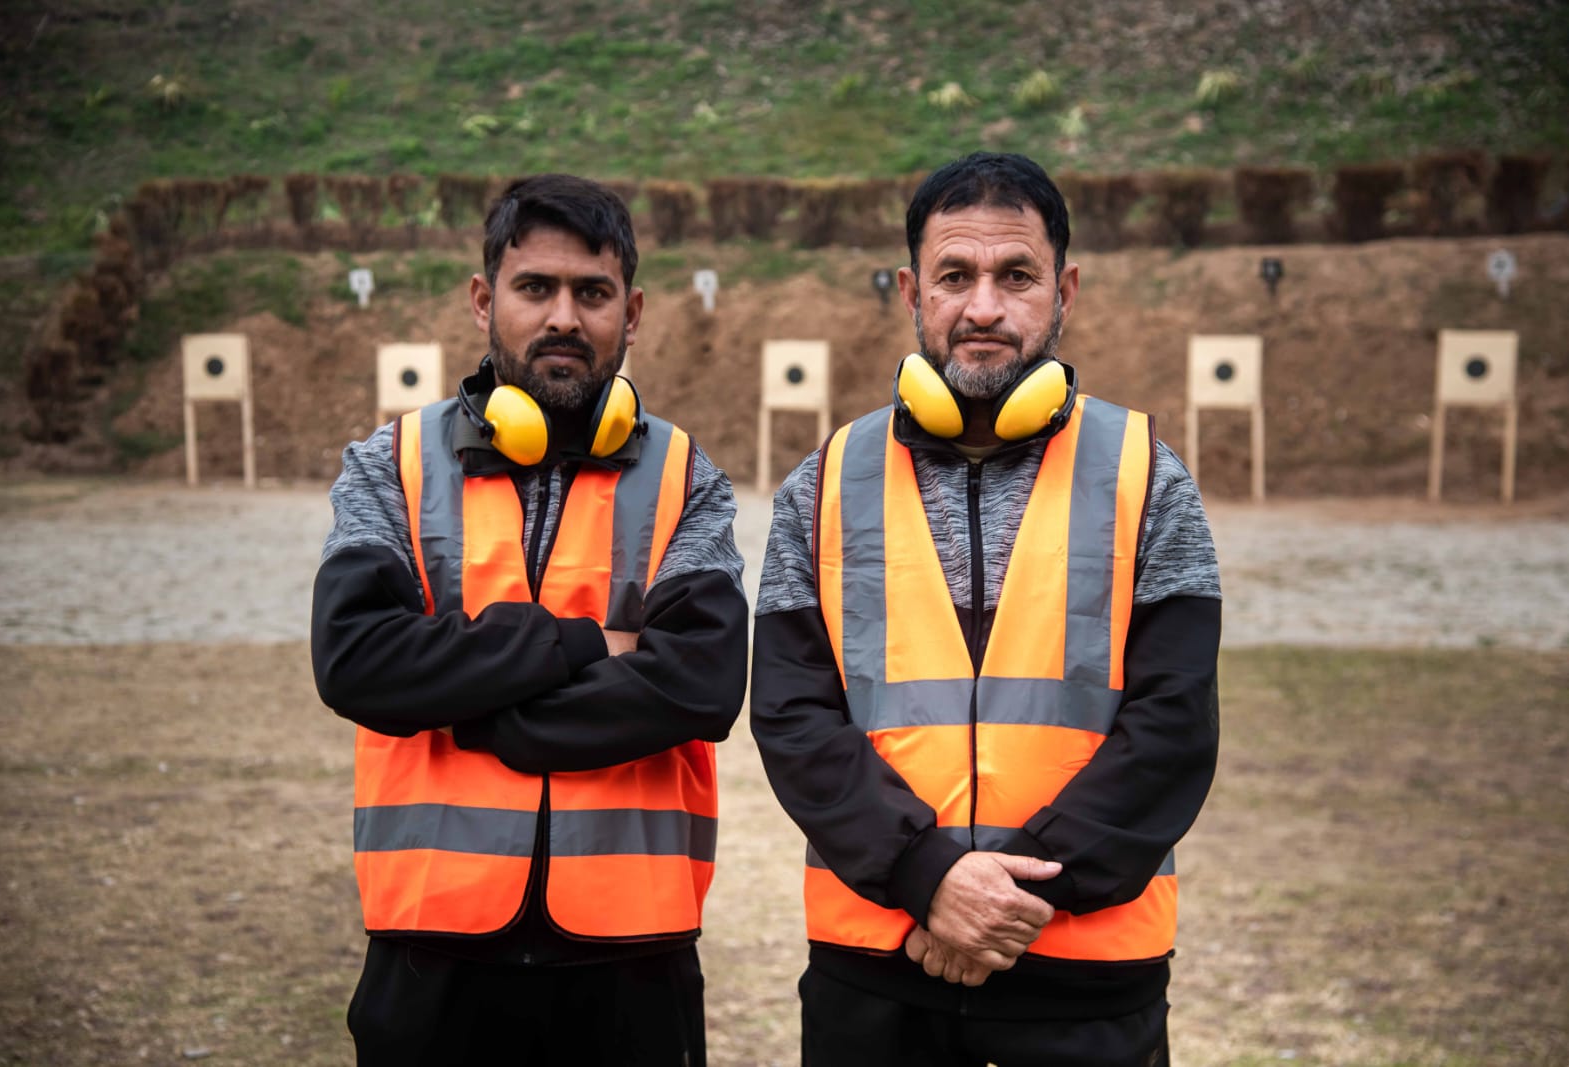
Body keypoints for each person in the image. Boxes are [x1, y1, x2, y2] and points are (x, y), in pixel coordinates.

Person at [751, 151, 1221, 1066]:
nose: (984, 308)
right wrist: (927, 876)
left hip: (1086, 985)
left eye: (1017, 276)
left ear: (1065, 291)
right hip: (876, 976)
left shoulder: (1149, 477)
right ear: (910, 292)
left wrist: (1006, 902)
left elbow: (1174, 727)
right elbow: (793, 718)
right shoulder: (824, 484)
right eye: (954, 276)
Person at [311, 173, 747, 1066]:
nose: (563, 317)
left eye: (593, 294)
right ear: (484, 300)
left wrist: (477, 714)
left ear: (632, 313)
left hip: (633, 960)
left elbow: (702, 683)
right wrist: (585, 642)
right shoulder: (390, 464)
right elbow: (356, 660)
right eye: (535, 288)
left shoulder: (685, 477)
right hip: (433, 951)